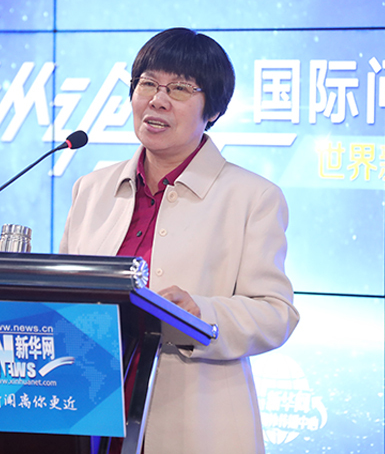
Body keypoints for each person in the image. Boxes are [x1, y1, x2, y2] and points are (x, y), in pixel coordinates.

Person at [59, 28, 299, 453]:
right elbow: (64, 298)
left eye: (180, 89)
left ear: (214, 109)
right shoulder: (91, 189)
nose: (157, 100)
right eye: (148, 84)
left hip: (195, 423)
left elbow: (276, 314)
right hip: (88, 414)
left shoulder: (252, 197)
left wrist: (201, 313)